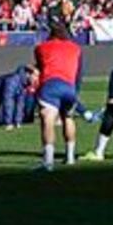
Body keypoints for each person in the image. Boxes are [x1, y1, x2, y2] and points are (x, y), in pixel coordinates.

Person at [33, 21, 84, 171]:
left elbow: (41, 68)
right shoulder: (76, 48)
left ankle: (48, 162)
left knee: (47, 119)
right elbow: (79, 73)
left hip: (50, 85)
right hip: (70, 87)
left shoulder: (41, 48)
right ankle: (70, 157)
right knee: (68, 118)